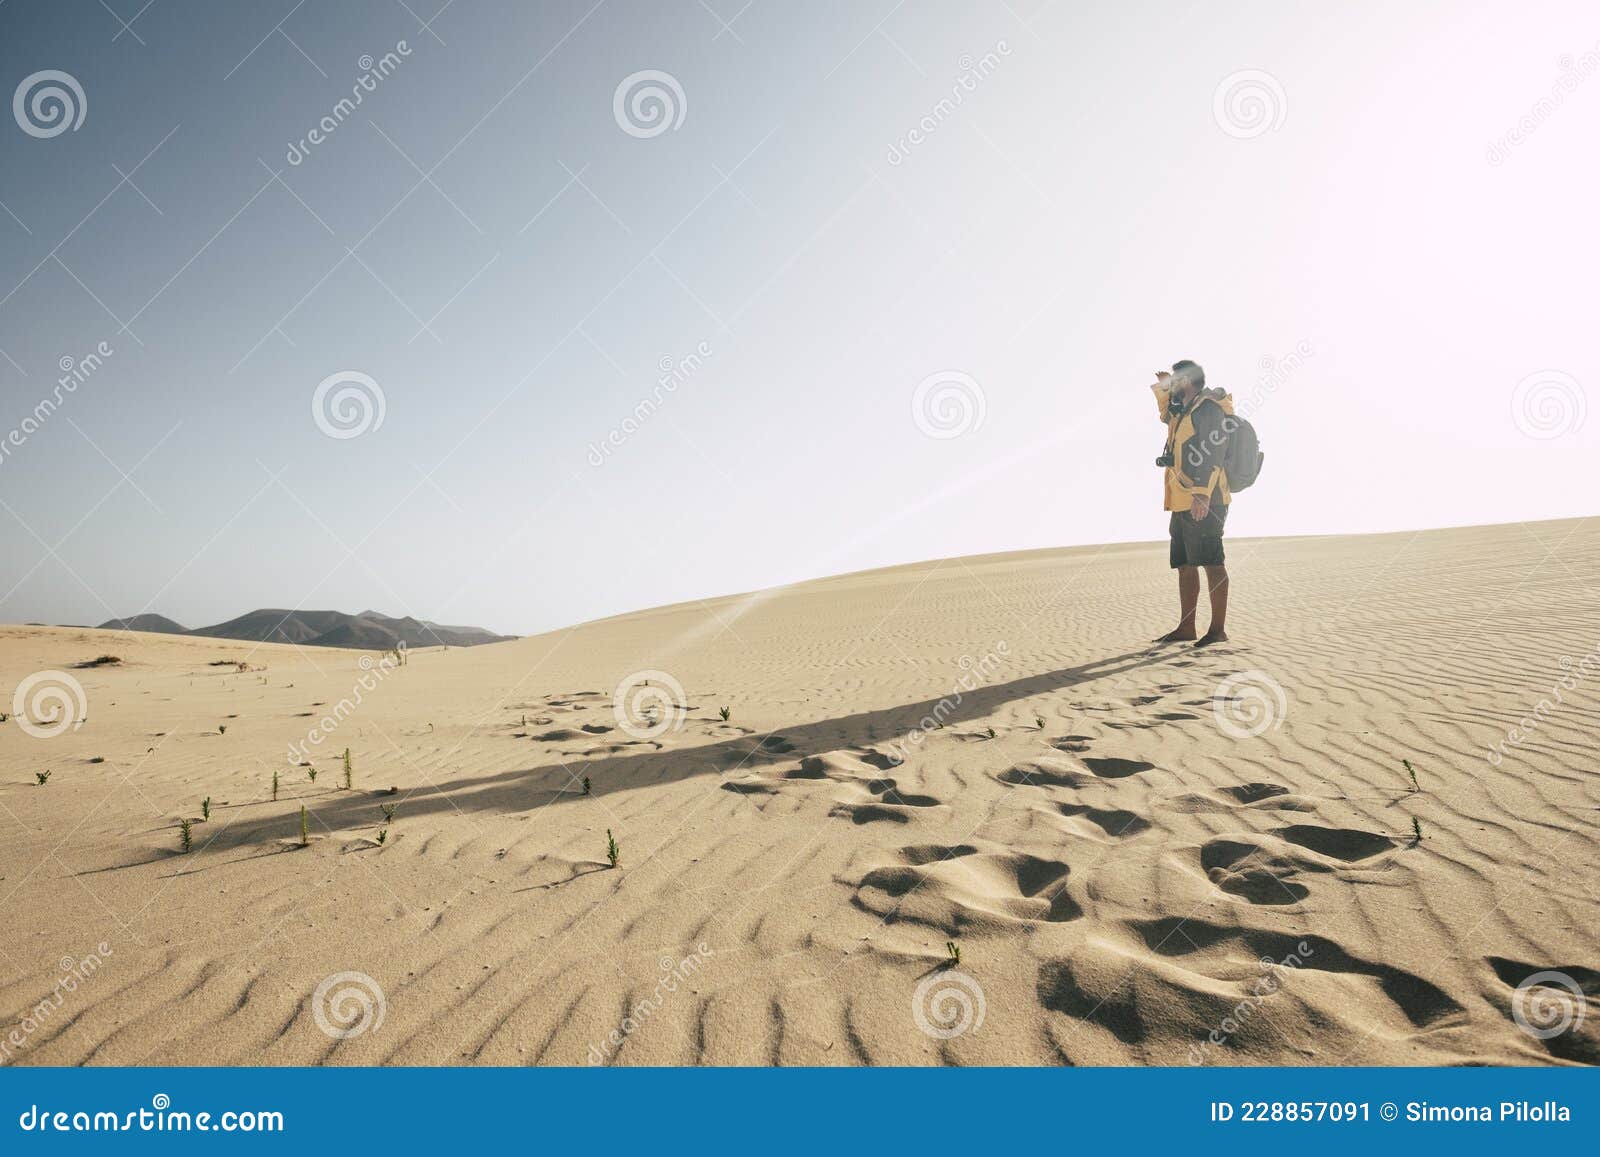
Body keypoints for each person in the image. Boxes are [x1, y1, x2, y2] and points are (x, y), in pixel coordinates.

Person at [1150, 360, 1235, 647]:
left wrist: (1201, 492)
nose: (1172, 383)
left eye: (1175, 379)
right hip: (1180, 498)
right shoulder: (1183, 410)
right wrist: (1163, 388)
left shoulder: (1208, 408)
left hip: (1206, 498)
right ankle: (1187, 627)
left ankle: (1217, 629)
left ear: (1186, 381)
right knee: (1185, 564)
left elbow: (1214, 449)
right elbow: (1165, 416)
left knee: (1211, 561)